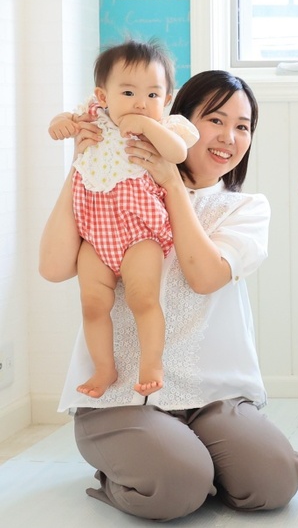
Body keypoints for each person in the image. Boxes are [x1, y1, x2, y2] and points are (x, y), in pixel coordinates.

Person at [41, 70, 298, 521]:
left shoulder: (245, 208)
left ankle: (191, 461)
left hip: (212, 397)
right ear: (179, 120)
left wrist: (170, 183)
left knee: (274, 480)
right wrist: (82, 164)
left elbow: (204, 275)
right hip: (120, 398)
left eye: (243, 126)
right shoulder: (117, 195)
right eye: (215, 120)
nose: (229, 137)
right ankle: (147, 469)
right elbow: (52, 268)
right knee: (177, 487)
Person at [47, 40, 199, 397]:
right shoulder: (93, 117)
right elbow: (63, 119)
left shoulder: (165, 126)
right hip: (94, 237)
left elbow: (178, 153)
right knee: (92, 304)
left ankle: (152, 362)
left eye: (152, 95)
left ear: (166, 99)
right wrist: (60, 124)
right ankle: (104, 368)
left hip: (140, 235)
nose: (140, 103)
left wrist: (146, 125)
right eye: (128, 93)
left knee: (143, 298)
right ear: (102, 96)